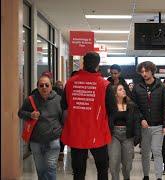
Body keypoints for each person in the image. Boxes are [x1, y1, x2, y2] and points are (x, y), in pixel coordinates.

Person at [61, 52, 114, 180]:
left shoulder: (70, 83)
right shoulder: (105, 85)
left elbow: (64, 106)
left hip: (76, 133)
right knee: (102, 169)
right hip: (98, 132)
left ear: (83, 63)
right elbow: (112, 110)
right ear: (98, 65)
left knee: (78, 172)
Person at [131, 61, 165, 180]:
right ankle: (146, 176)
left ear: (152, 71)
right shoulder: (137, 88)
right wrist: (141, 119)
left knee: (157, 151)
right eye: (142, 71)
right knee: (145, 153)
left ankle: (159, 177)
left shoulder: (161, 87)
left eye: (146, 71)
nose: (144, 74)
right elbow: (134, 106)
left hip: (158, 126)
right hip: (144, 126)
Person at [18, 75, 63, 180]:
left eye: (47, 85)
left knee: (51, 169)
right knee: (41, 170)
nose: (44, 87)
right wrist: (30, 115)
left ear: (51, 86)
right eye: (41, 85)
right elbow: (20, 113)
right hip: (36, 142)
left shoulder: (58, 100)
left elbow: (62, 118)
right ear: (37, 87)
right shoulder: (30, 100)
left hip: (53, 141)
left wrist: (59, 131)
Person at [108, 84, 141, 180]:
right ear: (115, 94)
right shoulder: (110, 107)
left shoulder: (131, 105)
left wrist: (137, 136)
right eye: (120, 89)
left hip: (128, 135)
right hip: (114, 135)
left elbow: (136, 121)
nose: (123, 91)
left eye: (123, 89)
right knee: (114, 163)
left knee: (128, 165)